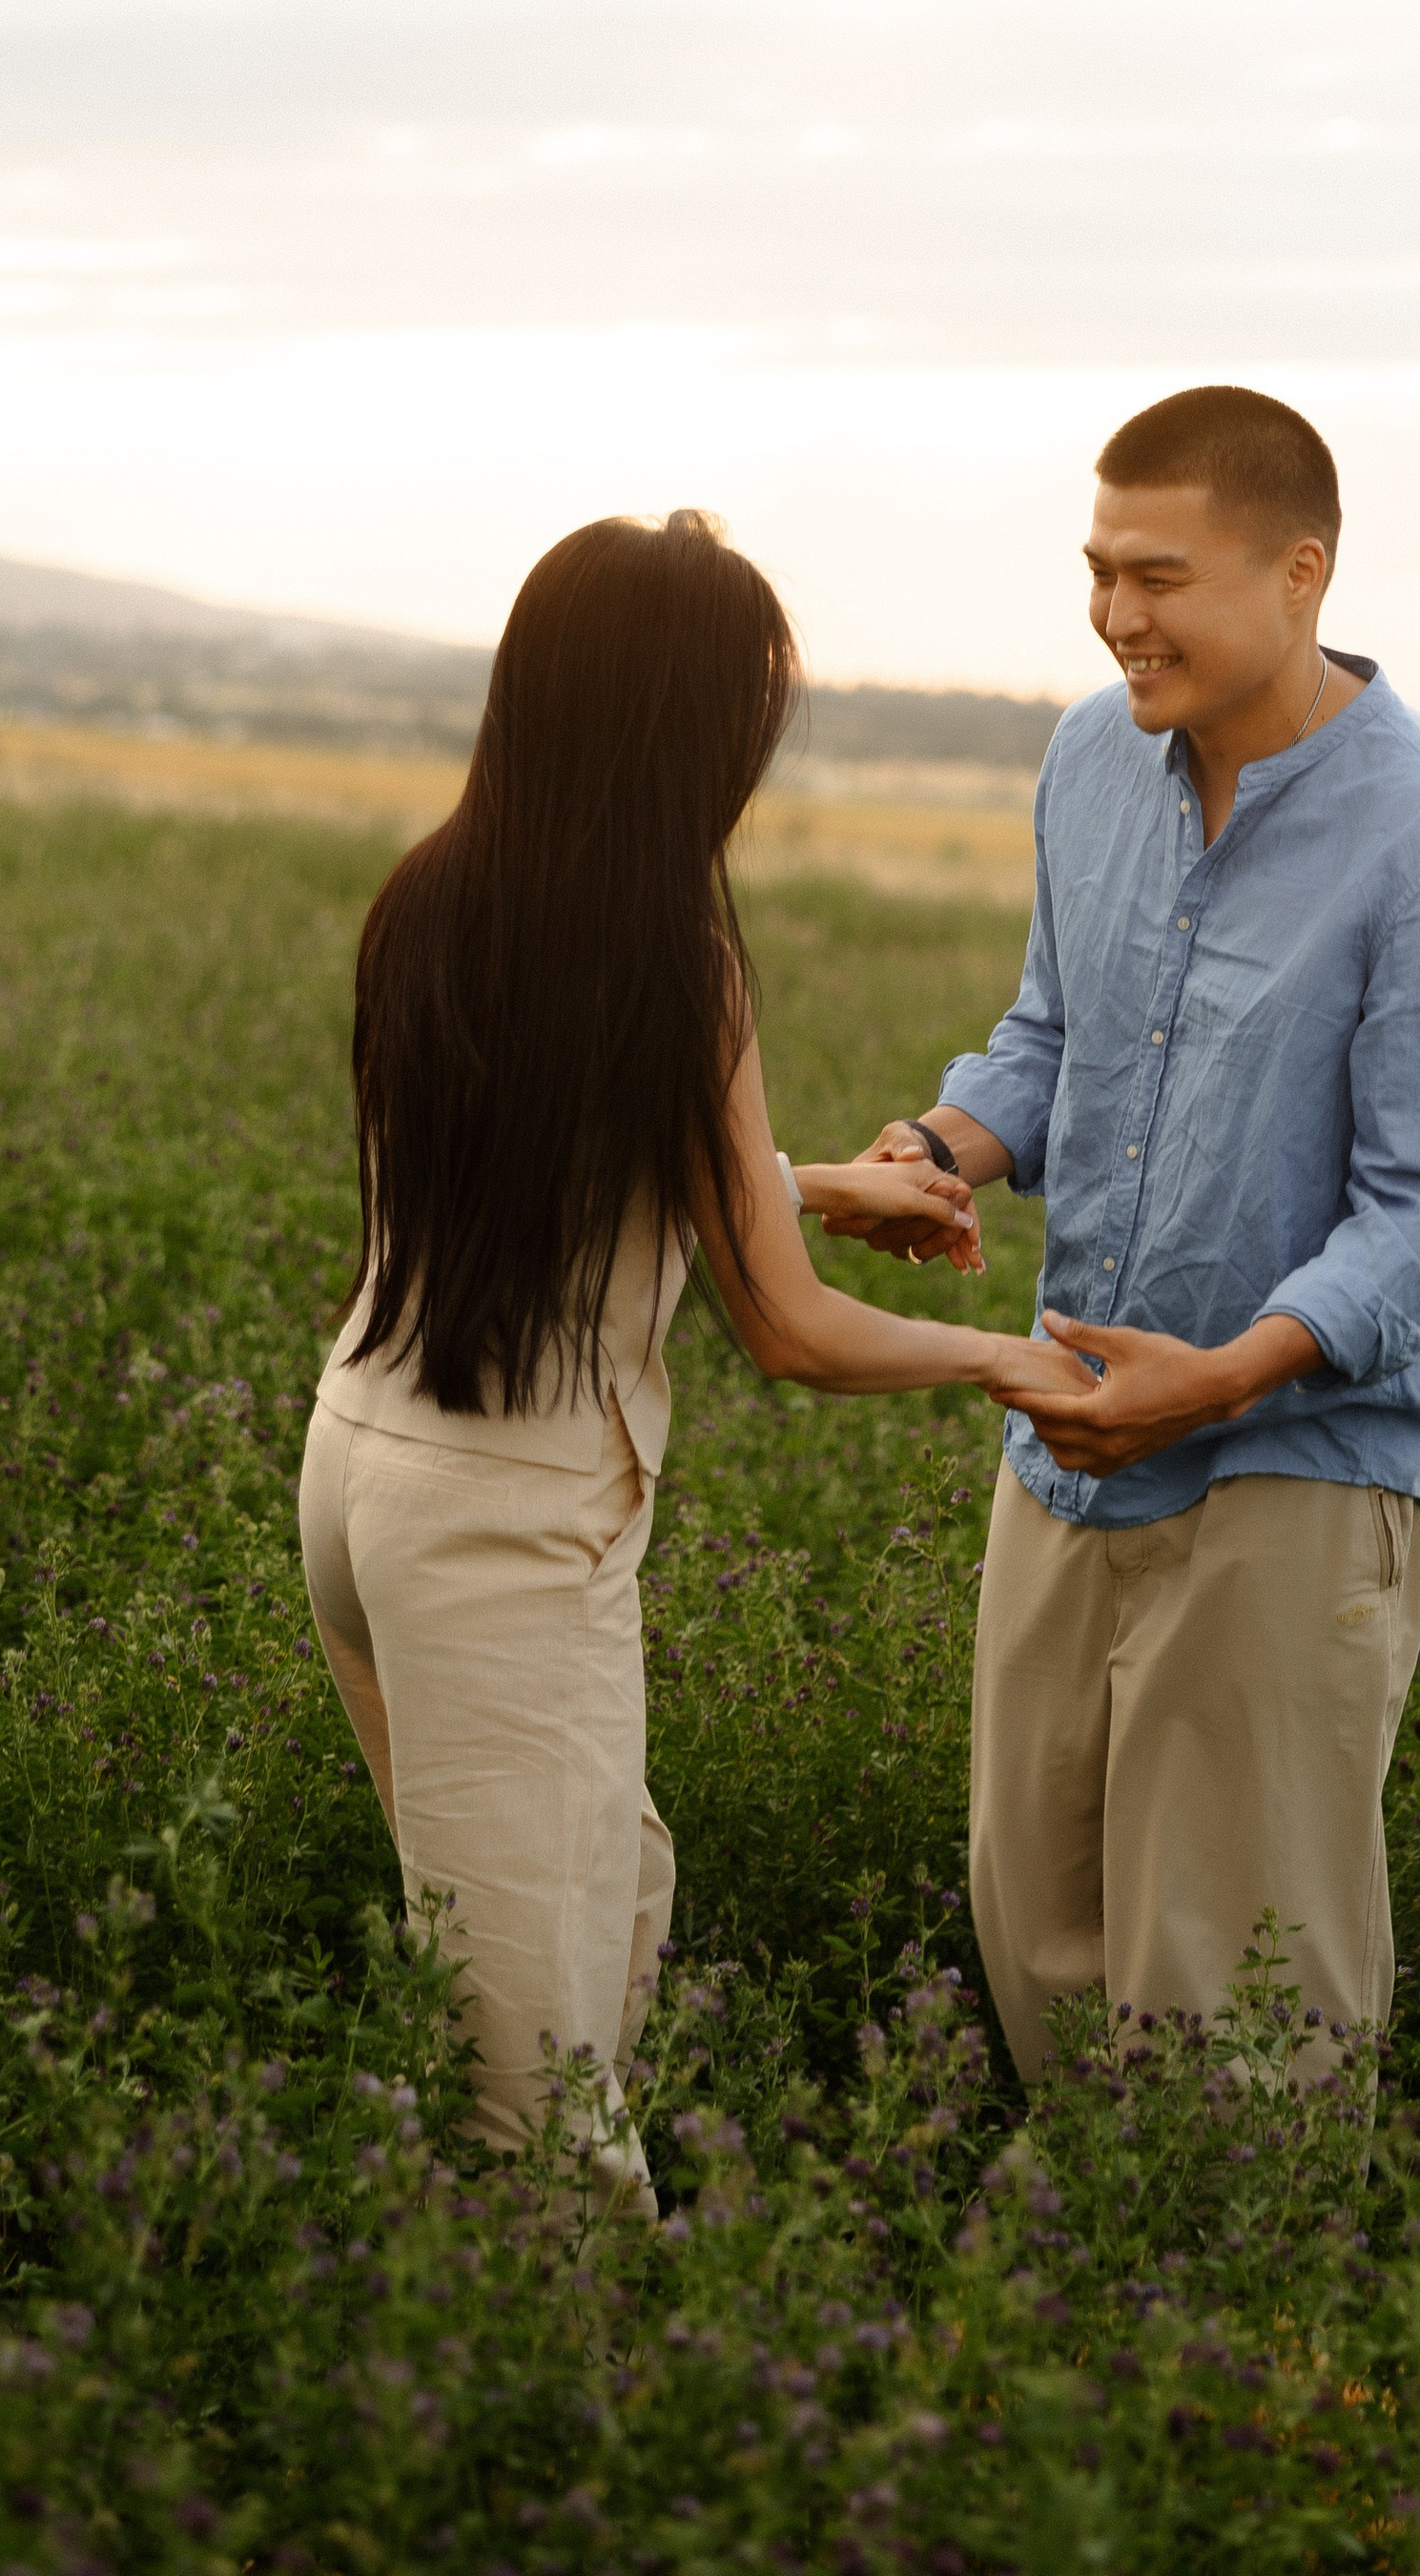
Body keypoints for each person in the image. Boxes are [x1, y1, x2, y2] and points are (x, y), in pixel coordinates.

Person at [297, 508, 1086, 2208]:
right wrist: (1010, 1364)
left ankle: (510, 2308)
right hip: (501, 1531)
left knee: (614, 1898)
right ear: (688, 732)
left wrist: (810, 1184)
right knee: (538, 2085)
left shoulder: (434, 896)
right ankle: (568, 2354)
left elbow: (556, 1177)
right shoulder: (673, 959)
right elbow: (789, 1331)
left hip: (360, 1471)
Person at [828, 384, 1420, 2087]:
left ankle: (1253, 2276)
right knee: (1037, 1944)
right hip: (1068, 1436)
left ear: (1301, 574)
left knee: (1240, 2011)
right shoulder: (1089, 757)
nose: (1116, 614)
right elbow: (1055, 1035)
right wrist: (938, 1150)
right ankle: (1084, 2268)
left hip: (1294, 1470)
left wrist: (1214, 1381)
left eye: (1159, 577)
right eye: (1097, 570)